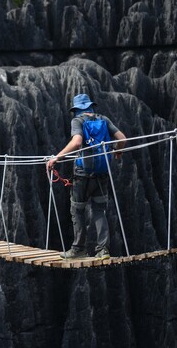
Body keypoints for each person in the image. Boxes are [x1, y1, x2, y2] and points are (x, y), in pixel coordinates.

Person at [46, 93, 127, 260]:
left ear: (76, 109)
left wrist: (56, 158)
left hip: (83, 175)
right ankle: (103, 250)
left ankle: (78, 249)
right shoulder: (104, 119)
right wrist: (118, 151)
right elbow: (122, 138)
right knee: (99, 210)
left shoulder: (78, 121)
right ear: (91, 106)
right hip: (102, 173)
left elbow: (76, 142)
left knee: (77, 209)